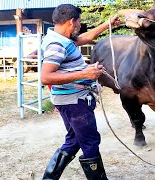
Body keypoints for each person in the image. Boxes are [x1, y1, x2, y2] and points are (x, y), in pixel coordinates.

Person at [40, 4, 120, 179]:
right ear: (71, 21)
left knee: (74, 140)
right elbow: (45, 77)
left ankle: (49, 178)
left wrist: (108, 24)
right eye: (79, 22)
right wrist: (85, 73)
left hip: (70, 100)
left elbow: (85, 37)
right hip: (74, 101)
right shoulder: (57, 45)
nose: (79, 26)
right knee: (90, 142)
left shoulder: (62, 38)